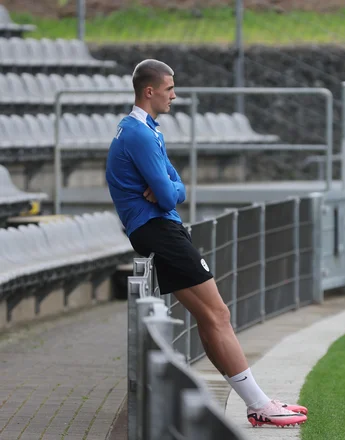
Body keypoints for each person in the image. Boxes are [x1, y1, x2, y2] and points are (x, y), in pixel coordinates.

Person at [105, 59, 307, 428]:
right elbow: (168, 196)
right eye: (169, 89)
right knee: (218, 314)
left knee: (211, 315)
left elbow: (175, 186)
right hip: (158, 229)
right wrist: (169, 190)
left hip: (157, 228)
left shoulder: (145, 129)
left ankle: (257, 401)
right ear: (149, 91)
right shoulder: (139, 134)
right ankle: (259, 404)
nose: (174, 95)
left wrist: (170, 188)